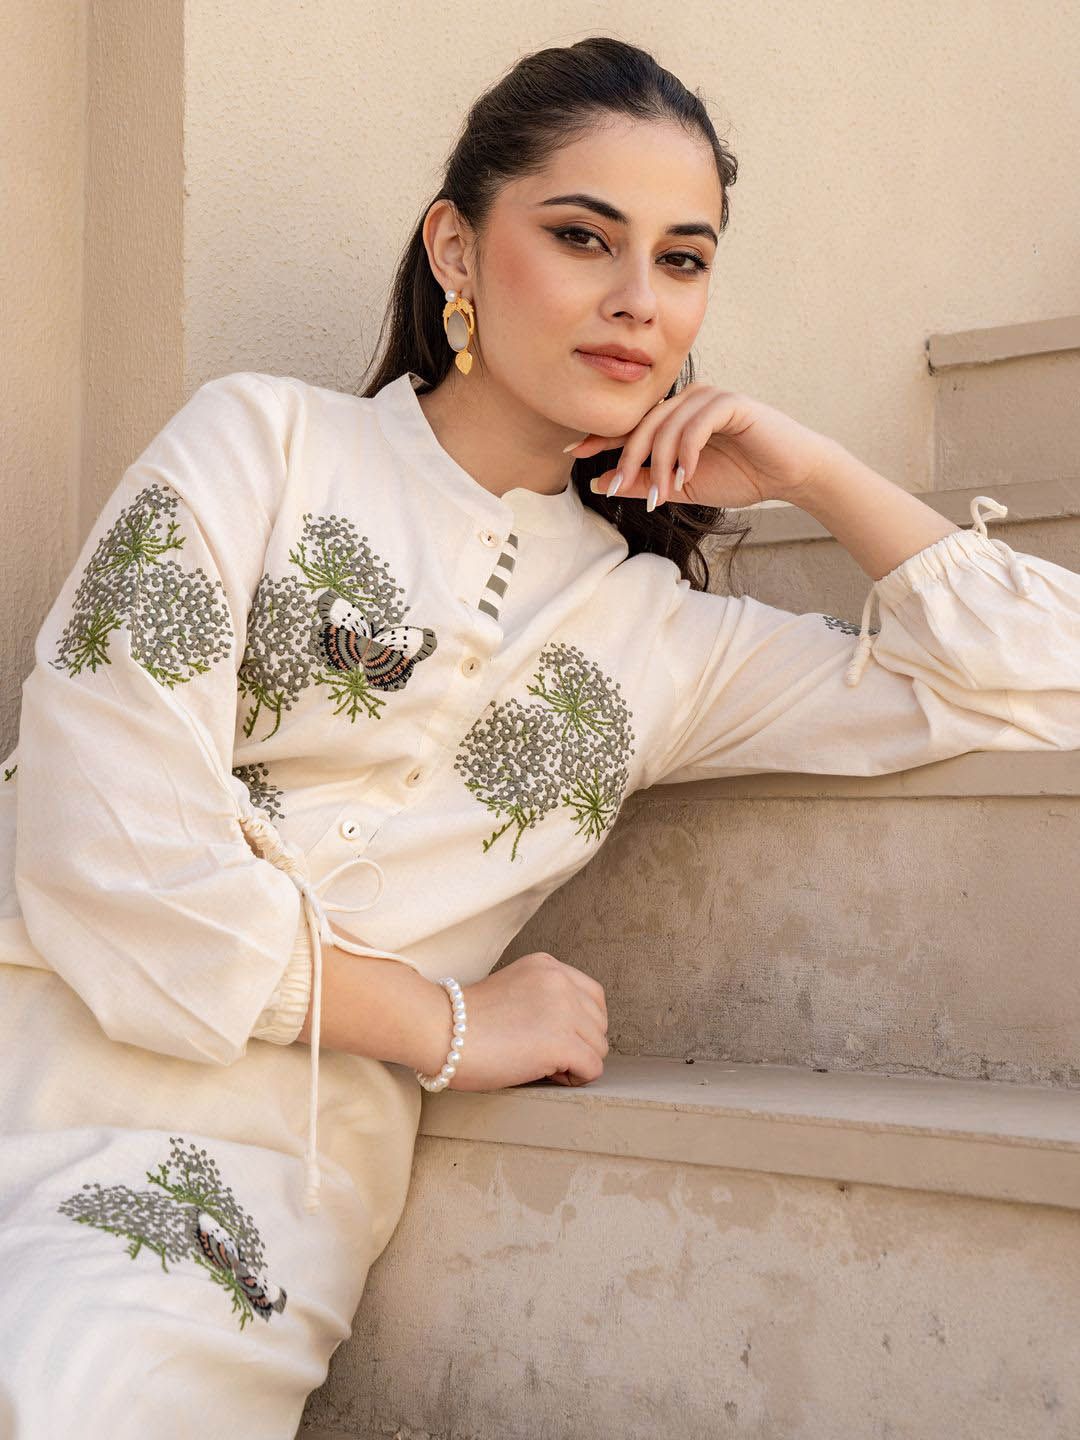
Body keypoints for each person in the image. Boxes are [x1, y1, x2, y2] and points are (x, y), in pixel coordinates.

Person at [1, 33, 1078, 1438]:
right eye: (583, 238)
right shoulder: (260, 445)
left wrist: (814, 470)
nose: (638, 301)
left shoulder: (662, 642)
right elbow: (101, 841)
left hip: (251, 1168)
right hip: (38, 1021)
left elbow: (1040, 683)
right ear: (456, 247)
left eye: (682, 261)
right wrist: (446, 1023)